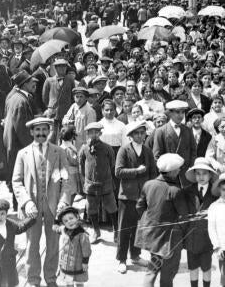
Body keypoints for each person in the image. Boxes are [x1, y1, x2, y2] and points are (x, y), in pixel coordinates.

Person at [11, 117, 72, 287]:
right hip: (32, 207)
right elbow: (16, 181)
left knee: (53, 244)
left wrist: (63, 202)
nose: (41, 133)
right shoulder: (23, 153)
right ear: (31, 132)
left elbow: (66, 180)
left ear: (49, 131)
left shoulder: (58, 152)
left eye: (44, 130)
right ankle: (33, 280)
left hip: (54, 207)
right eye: (37, 130)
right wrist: (26, 202)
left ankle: (51, 278)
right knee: (32, 245)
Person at [135, 153, 189, 287]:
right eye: (177, 169)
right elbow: (184, 217)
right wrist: (181, 233)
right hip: (170, 239)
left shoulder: (148, 184)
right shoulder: (175, 191)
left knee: (152, 269)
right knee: (168, 273)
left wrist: (152, 221)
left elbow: (139, 207)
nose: (179, 171)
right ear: (171, 172)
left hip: (153, 236)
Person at [115, 120, 156, 274]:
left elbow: (153, 172)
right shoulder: (124, 150)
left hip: (142, 197)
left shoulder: (147, 151)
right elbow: (118, 172)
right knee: (124, 229)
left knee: (139, 228)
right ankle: (121, 259)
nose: (140, 136)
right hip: (126, 196)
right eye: (137, 133)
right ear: (131, 136)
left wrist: (151, 191)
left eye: (142, 132)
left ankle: (135, 255)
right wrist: (136, 171)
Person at [0, 199, 37, 287]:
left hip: (8, 263)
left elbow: (21, 226)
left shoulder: (10, 224)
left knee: (8, 283)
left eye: (2, 214)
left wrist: (32, 218)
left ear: (6, 214)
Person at [78, 121, 118, 243]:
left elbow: (112, 164)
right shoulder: (84, 149)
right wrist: (88, 180)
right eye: (90, 133)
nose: (93, 135)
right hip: (90, 186)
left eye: (96, 132)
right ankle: (96, 231)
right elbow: (81, 166)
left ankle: (116, 231)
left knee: (112, 208)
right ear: (87, 134)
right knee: (92, 209)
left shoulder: (107, 148)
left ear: (100, 133)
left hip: (106, 184)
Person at [183, 157, 218, 287]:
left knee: (206, 267)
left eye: (204, 173)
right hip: (191, 236)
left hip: (208, 237)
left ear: (210, 175)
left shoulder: (215, 192)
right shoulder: (187, 191)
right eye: (198, 173)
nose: (201, 177)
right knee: (192, 267)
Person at [152, 100, 196, 188]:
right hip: (169, 177)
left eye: (183, 112)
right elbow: (156, 156)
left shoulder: (187, 130)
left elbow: (193, 151)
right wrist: (167, 172)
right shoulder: (161, 131)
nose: (181, 115)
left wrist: (190, 168)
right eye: (177, 112)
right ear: (170, 113)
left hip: (185, 177)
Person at [55, 206, 91, 287]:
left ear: (77, 217)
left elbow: (86, 250)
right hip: (66, 264)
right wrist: (56, 220)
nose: (69, 222)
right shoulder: (64, 229)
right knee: (69, 282)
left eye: (71, 218)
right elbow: (56, 228)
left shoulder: (82, 234)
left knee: (79, 282)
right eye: (66, 221)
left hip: (78, 264)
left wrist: (85, 262)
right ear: (63, 223)